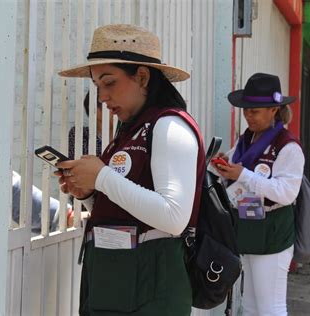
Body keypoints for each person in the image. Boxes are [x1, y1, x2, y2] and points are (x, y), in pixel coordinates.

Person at [55, 24, 205, 315]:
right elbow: (126, 206)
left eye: (109, 83)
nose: (101, 97)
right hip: (113, 287)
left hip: (149, 291)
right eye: (97, 85)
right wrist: (88, 193)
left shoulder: (169, 126)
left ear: (143, 77)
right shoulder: (130, 130)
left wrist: (101, 176)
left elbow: (174, 217)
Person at [212, 73, 304, 316]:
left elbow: (286, 193)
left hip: (273, 231)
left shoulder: (289, 147)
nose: (248, 116)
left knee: (270, 308)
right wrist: (222, 166)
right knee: (251, 306)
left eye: (254, 111)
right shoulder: (246, 141)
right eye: (246, 110)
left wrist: (243, 175)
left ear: (274, 110)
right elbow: (233, 172)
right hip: (249, 226)